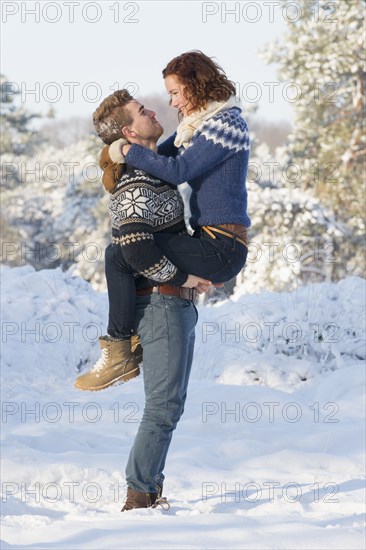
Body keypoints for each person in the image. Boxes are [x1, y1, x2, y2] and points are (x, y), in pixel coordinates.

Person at [76, 51, 250, 391]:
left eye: (175, 92)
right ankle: (124, 344)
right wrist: (114, 150)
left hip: (224, 246)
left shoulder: (224, 125)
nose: (171, 103)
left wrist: (125, 151)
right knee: (120, 253)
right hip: (208, 241)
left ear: (195, 86)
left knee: (124, 253)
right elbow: (163, 153)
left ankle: (119, 349)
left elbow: (178, 170)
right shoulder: (199, 127)